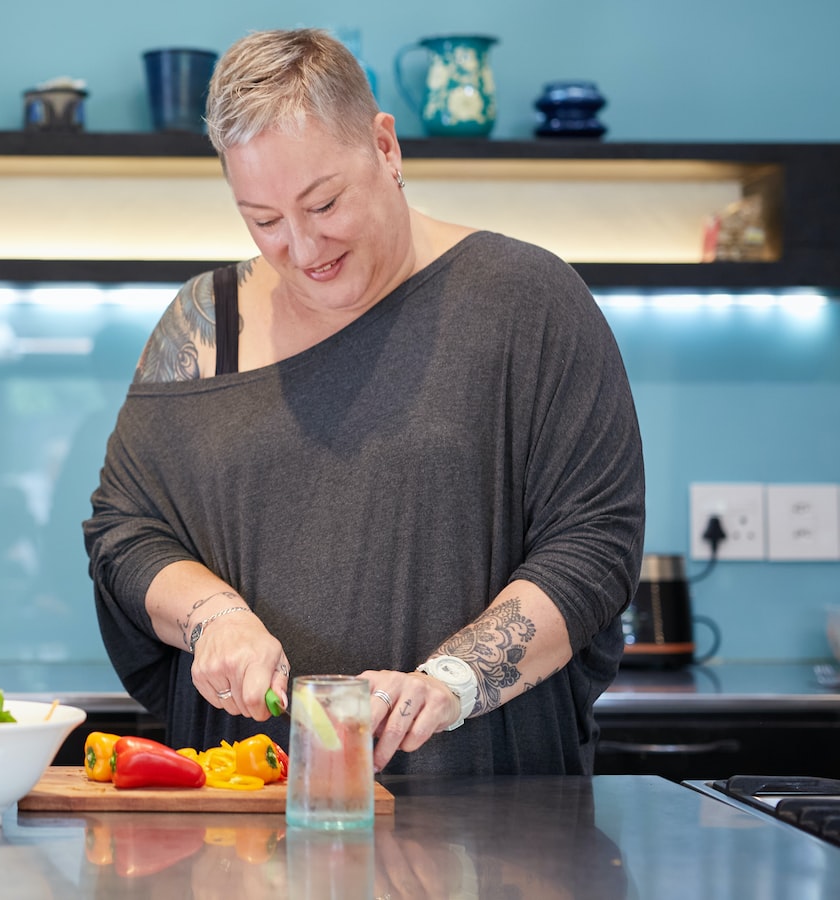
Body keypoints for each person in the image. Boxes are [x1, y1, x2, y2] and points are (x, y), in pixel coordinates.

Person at [84, 28, 644, 776]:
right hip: (240, 813)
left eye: (323, 203)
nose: (304, 248)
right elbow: (125, 532)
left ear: (385, 147)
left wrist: (447, 686)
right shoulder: (203, 323)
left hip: (483, 801)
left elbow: (595, 541)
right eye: (264, 220)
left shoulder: (528, 302)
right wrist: (212, 617)